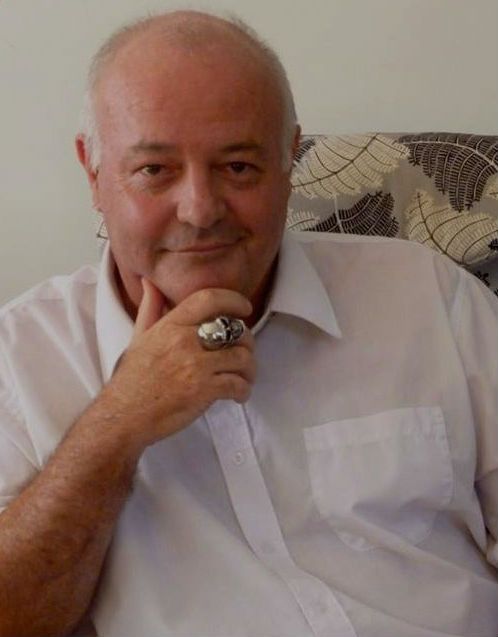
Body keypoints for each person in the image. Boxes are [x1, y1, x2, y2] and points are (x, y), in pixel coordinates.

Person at [1, 9, 498, 637]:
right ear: (93, 171)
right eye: (154, 170)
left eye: (237, 167)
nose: (200, 209)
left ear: (289, 157)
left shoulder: (428, 295)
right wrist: (117, 425)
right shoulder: (18, 360)